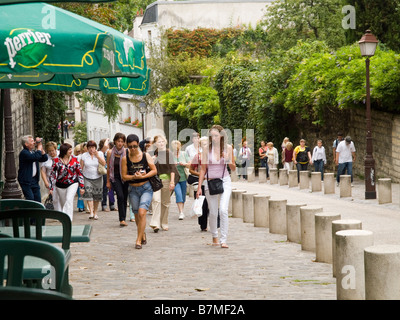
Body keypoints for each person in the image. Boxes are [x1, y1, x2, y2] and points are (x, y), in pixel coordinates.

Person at [196, 125, 236, 249]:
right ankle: (215, 236)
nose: (213, 138)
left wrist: (228, 159)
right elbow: (203, 169)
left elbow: (233, 168)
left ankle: (224, 239)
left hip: (224, 180)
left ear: (222, 136)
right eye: (211, 136)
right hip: (210, 181)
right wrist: (199, 187)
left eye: (216, 136)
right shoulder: (206, 149)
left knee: (223, 210)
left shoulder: (228, 148)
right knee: (213, 212)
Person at [121, 134, 157, 249]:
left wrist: (143, 176)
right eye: (130, 147)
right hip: (133, 189)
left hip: (146, 187)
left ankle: (138, 240)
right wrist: (133, 177)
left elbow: (154, 170)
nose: (132, 149)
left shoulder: (145, 156)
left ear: (138, 145)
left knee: (142, 213)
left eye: (135, 146)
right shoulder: (125, 158)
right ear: (127, 146)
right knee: (137, 215)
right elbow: (124, 176)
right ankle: (142, 234)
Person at [149, 135, 179, 232]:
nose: (161, 143)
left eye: (162, 141)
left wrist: (172, 182)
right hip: (156, 181)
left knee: (165, 203)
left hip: (166, 180)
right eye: (159, 142)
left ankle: (164, 222)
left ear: (165, 142)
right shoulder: (153, 154)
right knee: (156, 200)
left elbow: (172, 169)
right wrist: (152, 161)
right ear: (155, 144)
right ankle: (155, 223)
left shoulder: (168, 153)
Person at [50, 143, 85, 221]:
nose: (71, 151)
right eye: (69, 149)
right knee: (64, 203)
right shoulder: (56, 160)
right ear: (64, 151)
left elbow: (80, 173)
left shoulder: (75, 160)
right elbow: (52, 175)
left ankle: (68, 220)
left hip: (73, 183)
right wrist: (51, 187)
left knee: (69, 200)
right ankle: (64, 217)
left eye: (71, 149)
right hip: (60, 185)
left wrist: (82, 186)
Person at [107, 133, 129, 226]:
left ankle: (123, 217)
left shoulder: (127, 152)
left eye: (122, 141)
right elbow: (108, 167)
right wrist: (108, 181)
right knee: (120, 196)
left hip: (125, 177)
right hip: (115, 177)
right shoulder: (110, 152)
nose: (120, 143)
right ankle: (122, 219)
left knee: (124, 197)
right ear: (115, 141)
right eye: (118, 141)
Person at [18, 135, 48, 203]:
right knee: (30, 199)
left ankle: (37, 213)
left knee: (38, 199)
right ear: (26, 144)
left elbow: (44, 158)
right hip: (26, 180)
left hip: (34, 180)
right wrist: (39, 149)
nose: (34, 142)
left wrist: (41, 149)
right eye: (31, 141)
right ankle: (29, 213)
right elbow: (34, 157)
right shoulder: (24, 153)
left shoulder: (33, 152)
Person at [80, 140, 106, 220]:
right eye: (90, 147)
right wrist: (80, 180)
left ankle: (95, 213)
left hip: (98, 177)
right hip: (87, 177)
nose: (92, 149)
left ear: (95, 148)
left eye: (93, 147)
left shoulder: (100, 153)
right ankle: (91, 212)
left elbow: (104, 163)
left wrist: (97, 156)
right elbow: (81, 168)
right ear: (87, 148)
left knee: (97, 196)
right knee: (89, 194)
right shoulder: (84, 156)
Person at [189, 136, 210, 231]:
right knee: (202, 204)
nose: (206, 146)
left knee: (208, 205)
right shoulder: (198, 156)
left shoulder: (213, 156)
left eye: (207, 144)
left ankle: (204, 222)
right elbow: (190, 170)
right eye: (204, 144)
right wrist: (201, 174)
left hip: (210, 182)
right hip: (198, 182)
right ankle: (203, 224)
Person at [171, 140, 190, 220]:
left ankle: (182, 210)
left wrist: (184, 164)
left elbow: (190, 164)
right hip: (175, 179)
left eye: (178, 148)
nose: (177, 150)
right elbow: (168, 166)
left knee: (183, 196)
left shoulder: (184, 154)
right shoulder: (171, 155)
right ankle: (181, 212)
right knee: (178, 194)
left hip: (183, 177)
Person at [99, 138, 115, 212]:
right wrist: (107, 139)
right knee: (105, 189)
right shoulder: (101, 152)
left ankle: (112, 205)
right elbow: (105, 146)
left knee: (111, 189)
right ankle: (104, 205)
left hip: (111, 171)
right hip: (105, 171)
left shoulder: (110, 151)